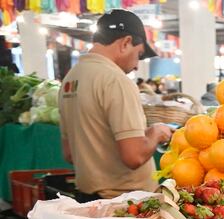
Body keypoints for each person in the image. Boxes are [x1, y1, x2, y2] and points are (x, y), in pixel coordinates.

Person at [58, 9, 172, 201]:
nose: (137, 65)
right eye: (139, 54)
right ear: (126, 43)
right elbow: (133, 156)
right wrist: (156, 133)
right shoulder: (115, 80)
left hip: (88, 197)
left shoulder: (70, 79)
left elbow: (70, 154)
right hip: (125, 203)